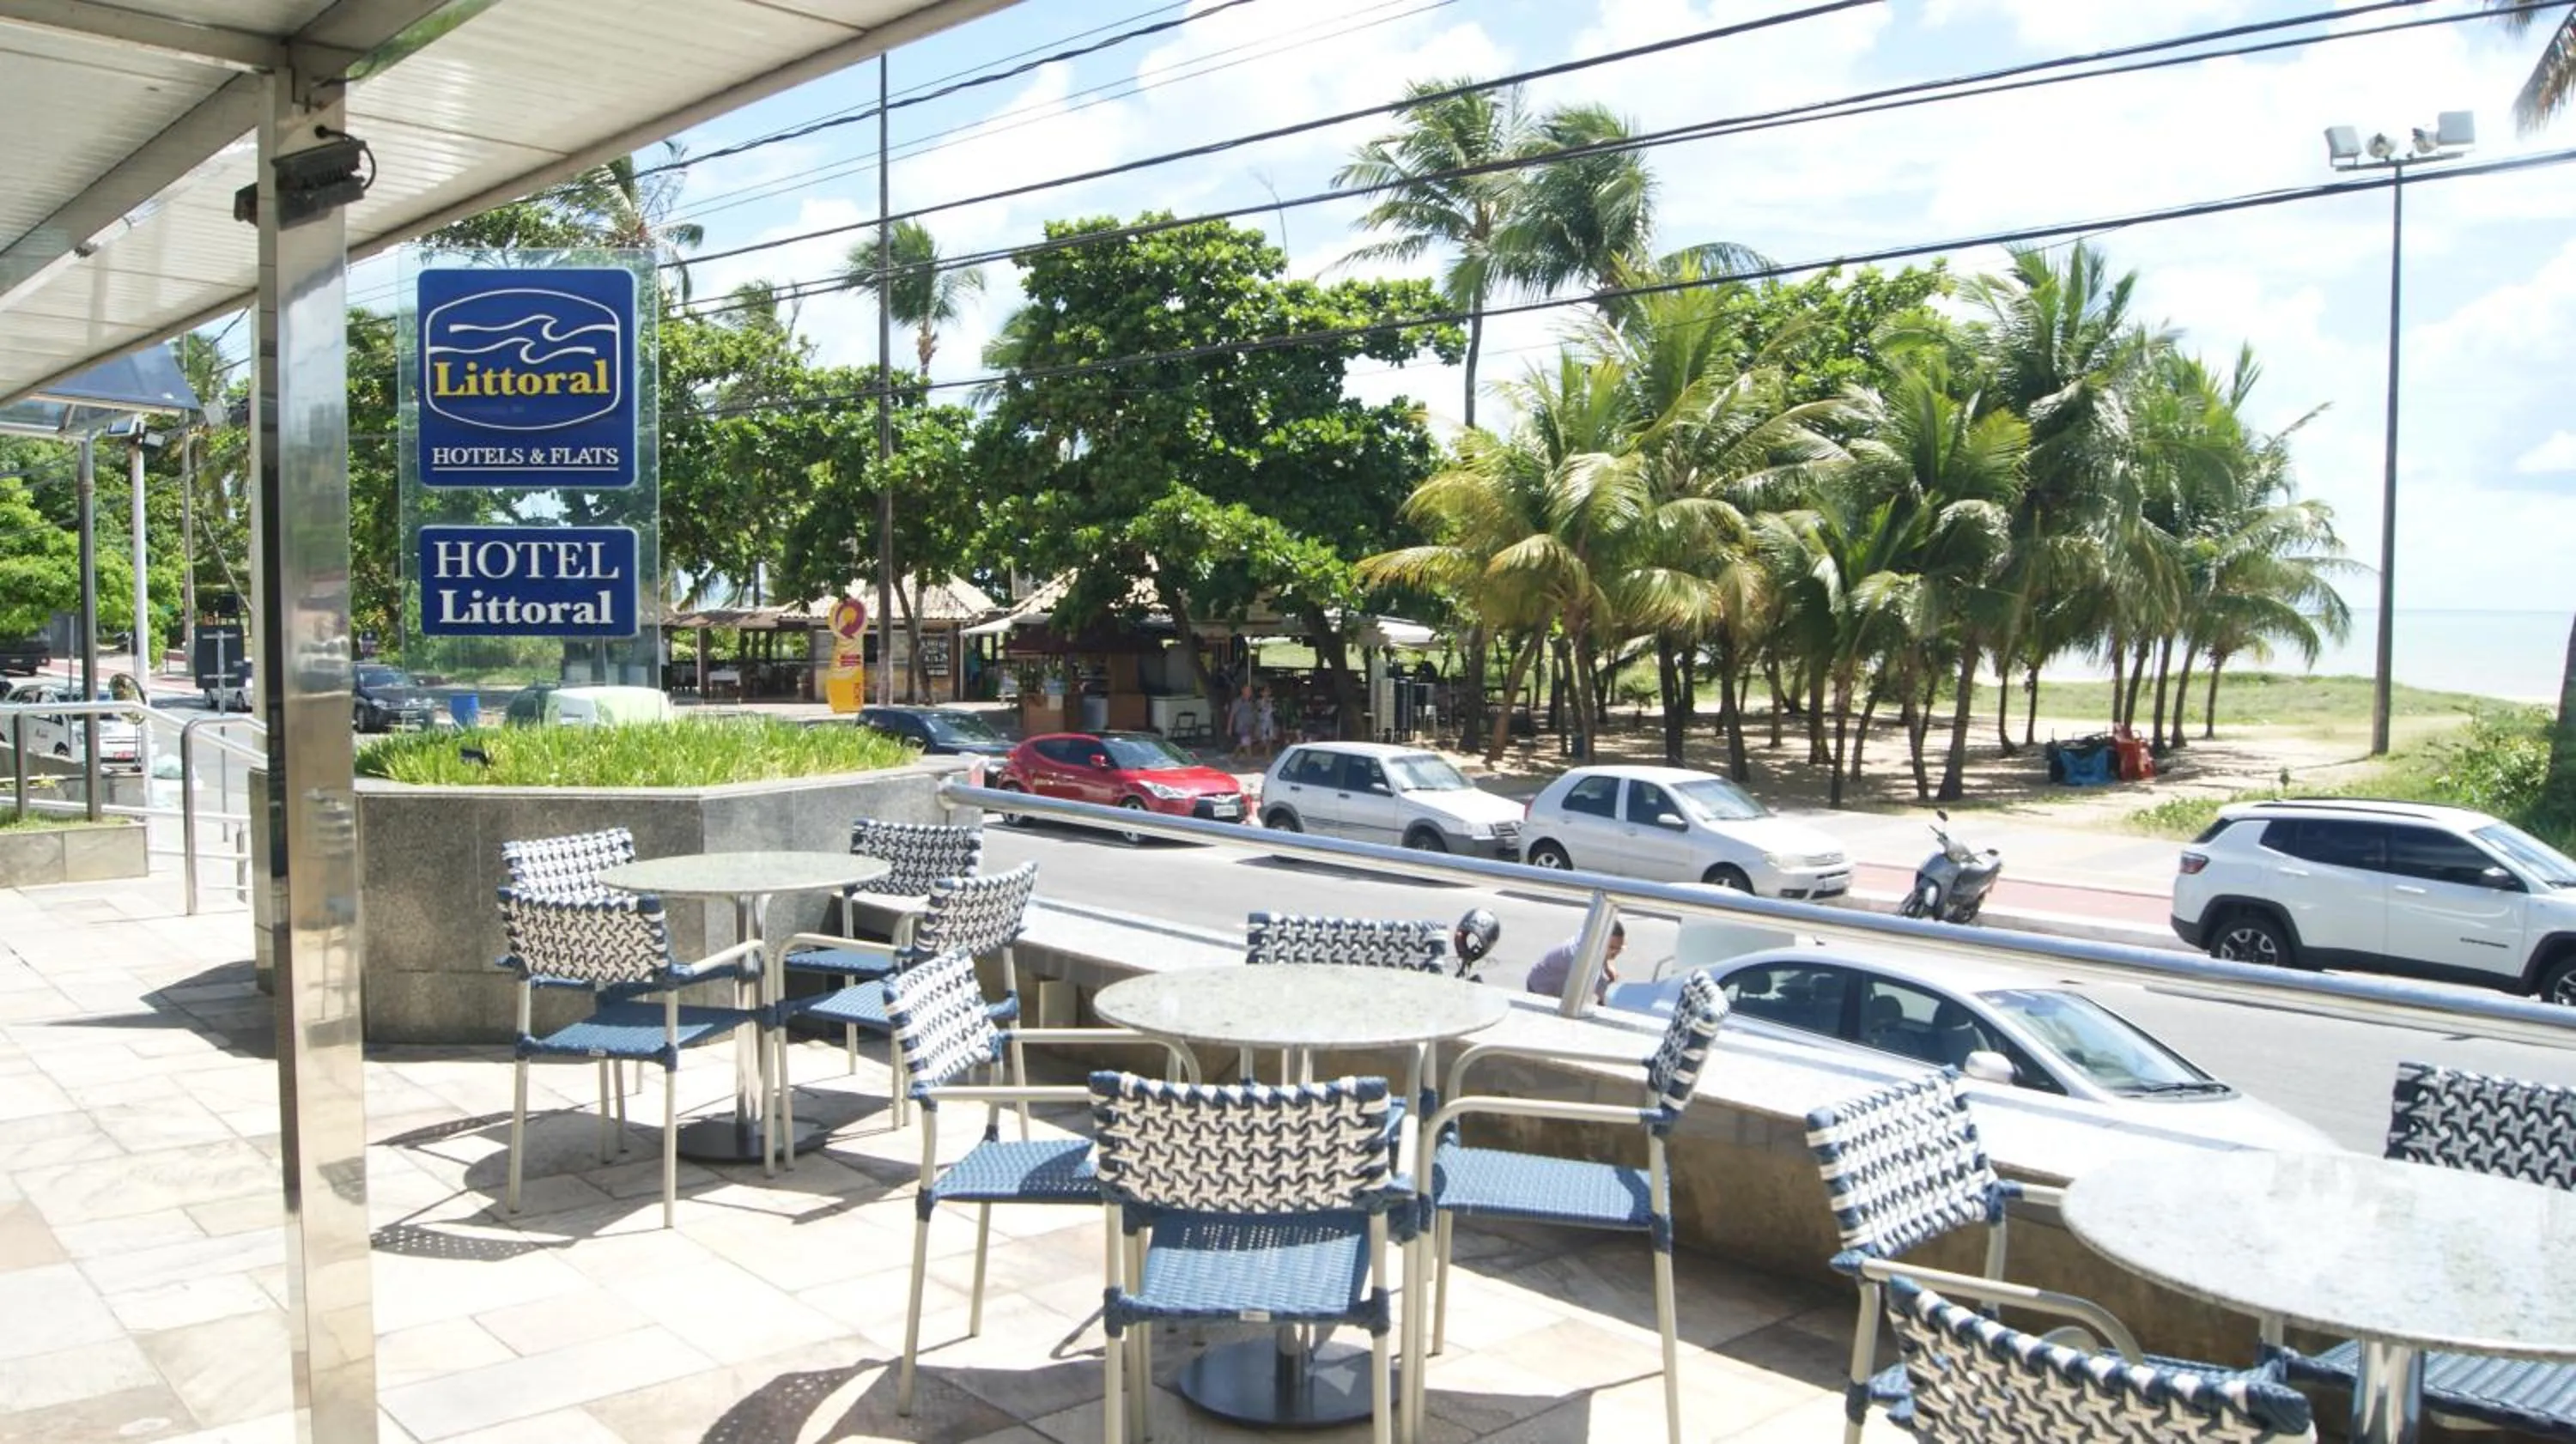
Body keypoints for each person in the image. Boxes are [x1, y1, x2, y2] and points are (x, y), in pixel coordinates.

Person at [1526, 920, 1625, 1004]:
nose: (1615, 953)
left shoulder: (1591, 937)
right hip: (1540, 987)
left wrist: (1607, 966)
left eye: (1619, 948)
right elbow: (1602, 996)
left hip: (1559, 982)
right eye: (1612, 948)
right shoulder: (1581, 957)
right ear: (1600, 941)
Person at [1225, 683, 1258, 761]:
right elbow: (1232, 714)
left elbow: (1254, 714)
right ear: (1243, 690)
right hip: (1242, 726)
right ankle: (1250, 761)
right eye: (1247, 690)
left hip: (1250, 726)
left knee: (1241, 744)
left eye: (1250, 690)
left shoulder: (1252, 702)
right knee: (1247, 744)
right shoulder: (1238, 702)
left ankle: (1233, 758)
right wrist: (1229, 727)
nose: (1249, 692)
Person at [1255, 687, 1279, 759]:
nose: (1266, 693)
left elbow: (1276, 710)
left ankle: (1268, 756)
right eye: (1265, 692)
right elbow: (1259, 709)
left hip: (1270, 722)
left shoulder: (1273, 701)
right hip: (1262, 722)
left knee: (1270, 740)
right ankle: (1256, 751)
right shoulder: (1259, 701)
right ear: (1261, 693)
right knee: (1263, 741)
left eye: (1268, 692)